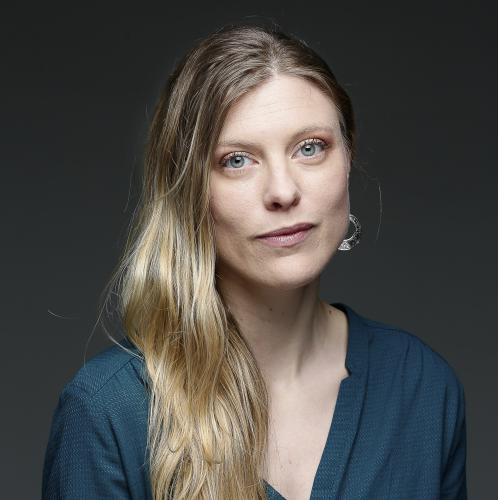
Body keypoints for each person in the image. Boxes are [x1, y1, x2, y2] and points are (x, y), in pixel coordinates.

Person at [42, 22, 467, 500]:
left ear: (348, 156)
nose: (283, 191)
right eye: (237, 160)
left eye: (310, 148)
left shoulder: (421, 386)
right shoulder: (109, 411)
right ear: (188, 191)